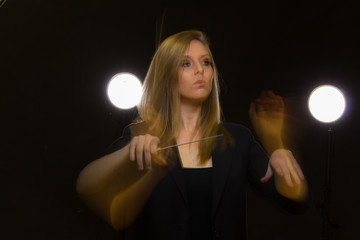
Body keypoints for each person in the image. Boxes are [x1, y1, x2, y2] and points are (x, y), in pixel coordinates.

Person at [76, 30, 308, 240]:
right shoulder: (144, 135)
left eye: (206, 62)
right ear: (166, 77)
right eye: (186, 64)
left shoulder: (237, 139)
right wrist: (130, 150)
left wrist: (277, 146)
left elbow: (292, 199)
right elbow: (86, 184)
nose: (200, 70)